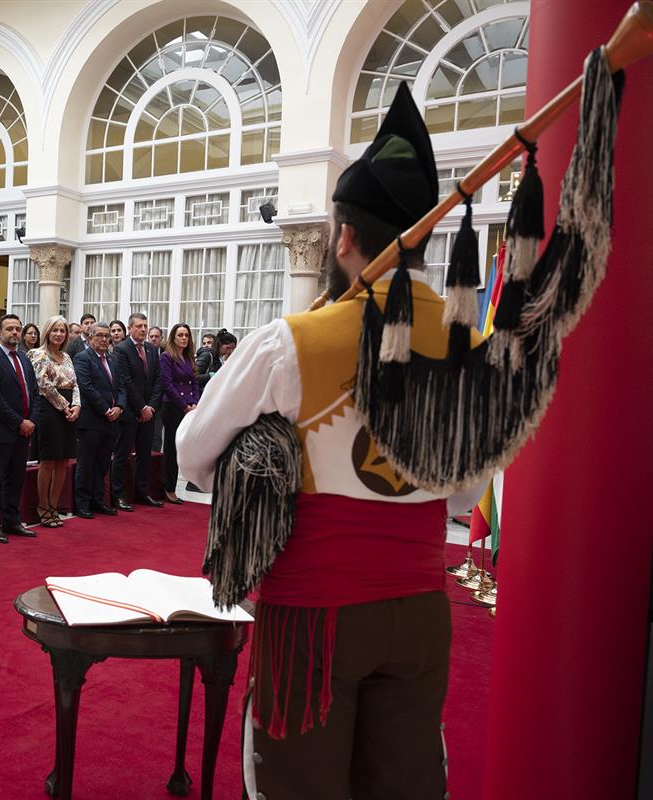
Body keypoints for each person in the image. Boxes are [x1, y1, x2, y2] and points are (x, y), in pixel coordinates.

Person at [177, 85, 477, 798]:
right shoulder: (470, 341)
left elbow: (192, 452)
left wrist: (268, 468)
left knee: (296, 785)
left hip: (313, 615)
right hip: (421, 608)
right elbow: (466, 491)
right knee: (403, 783)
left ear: (343, 236)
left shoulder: (292, 341)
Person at [0, 313, 38, 543]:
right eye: (10, 328)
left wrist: (32, 420)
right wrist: (19, 422)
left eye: (18, 328)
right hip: (3, 430)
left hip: (25, 429)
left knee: (16, 479)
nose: (15, 332)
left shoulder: (24, 358)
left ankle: (12, 521)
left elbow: (34, 392)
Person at [27, 316, 80, 527]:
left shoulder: (67, 356)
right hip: (48, 409)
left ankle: (54, 506)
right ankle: (43, 506)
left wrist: (77, 406)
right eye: (55, 330)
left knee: (63, 461)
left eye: (62, 331)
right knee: (48, 460)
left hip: (69, 411)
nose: (59, 334)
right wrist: (65, 406)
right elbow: (44, 385)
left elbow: (75, 383)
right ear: (47, 331)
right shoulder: (37, 354)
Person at [111, 313, 163, 510]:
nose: (143, 329)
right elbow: (125, 381)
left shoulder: (151, 349)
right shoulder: (122, 349)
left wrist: (150, 406)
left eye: (145, 326)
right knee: (122, 454)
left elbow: (158, 380)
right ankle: (118, 495)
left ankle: (142, 492)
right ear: (130, 328)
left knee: (144, 454)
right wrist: (141, 406)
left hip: (149, 411)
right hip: (130, 412)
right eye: (139, 326)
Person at [72, 323, 124, 518]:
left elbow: (121, 386)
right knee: (86, 463)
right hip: (91, 419)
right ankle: (82, 503)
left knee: (102, 463)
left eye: (106, 336)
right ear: (91, 338)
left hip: (112, 420)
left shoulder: (112, 359)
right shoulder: (82, 358)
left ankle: (98, 500)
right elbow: (86, 387)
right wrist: (106, 409)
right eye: (99, 336)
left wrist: (120, 406)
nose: (104, 339)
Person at [159, 323, 199, 505]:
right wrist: (184, 406)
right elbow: (168, 384)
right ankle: (169, 488)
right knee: (171, 449)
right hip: (173, 407)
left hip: (189, 407)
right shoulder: (167, 357)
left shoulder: (189, 357)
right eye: (180, 335)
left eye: (186, 335)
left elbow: (194, 383)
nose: (184, 338)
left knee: (183, 449)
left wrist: (196, 403)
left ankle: (175, 486)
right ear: (173, 338)